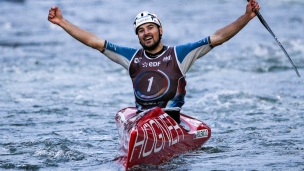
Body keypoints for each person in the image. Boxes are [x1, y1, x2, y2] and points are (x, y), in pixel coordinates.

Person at [48, 0, 260, 123]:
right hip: (143, 122)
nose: (146, 33)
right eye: (141, 30)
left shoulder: (180, 54)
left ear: (160, 30)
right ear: (138, 36)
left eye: (150, 27)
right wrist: (62, 22)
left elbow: (218, 37)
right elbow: (94, 41)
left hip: (170, 121)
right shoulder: (131, 57)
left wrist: (246, 17)